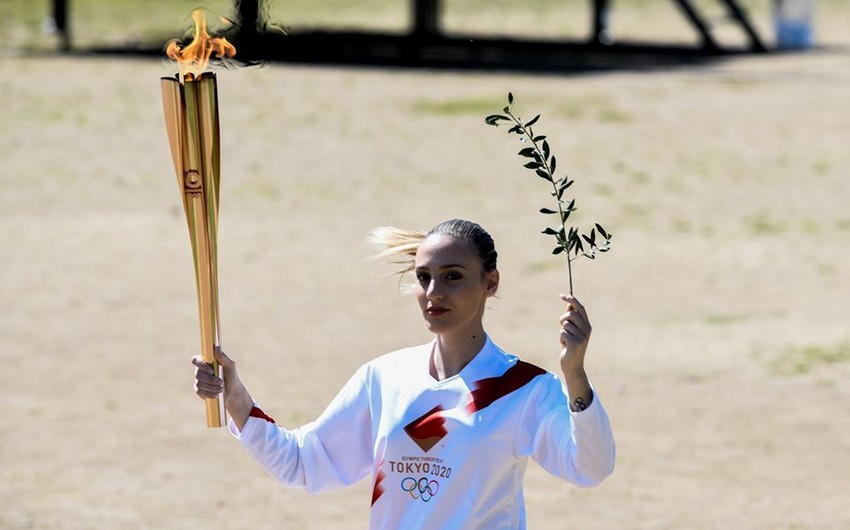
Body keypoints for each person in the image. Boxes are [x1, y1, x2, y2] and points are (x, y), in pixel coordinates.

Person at [192, 218, 615, 529]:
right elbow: (306, 463)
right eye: (424, 278)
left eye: (453, 277)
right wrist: (236, 397)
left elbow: (590, 467)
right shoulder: (385, 378)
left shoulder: (525, 390)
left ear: (491, 282)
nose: (434, 293)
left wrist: (574, 375)